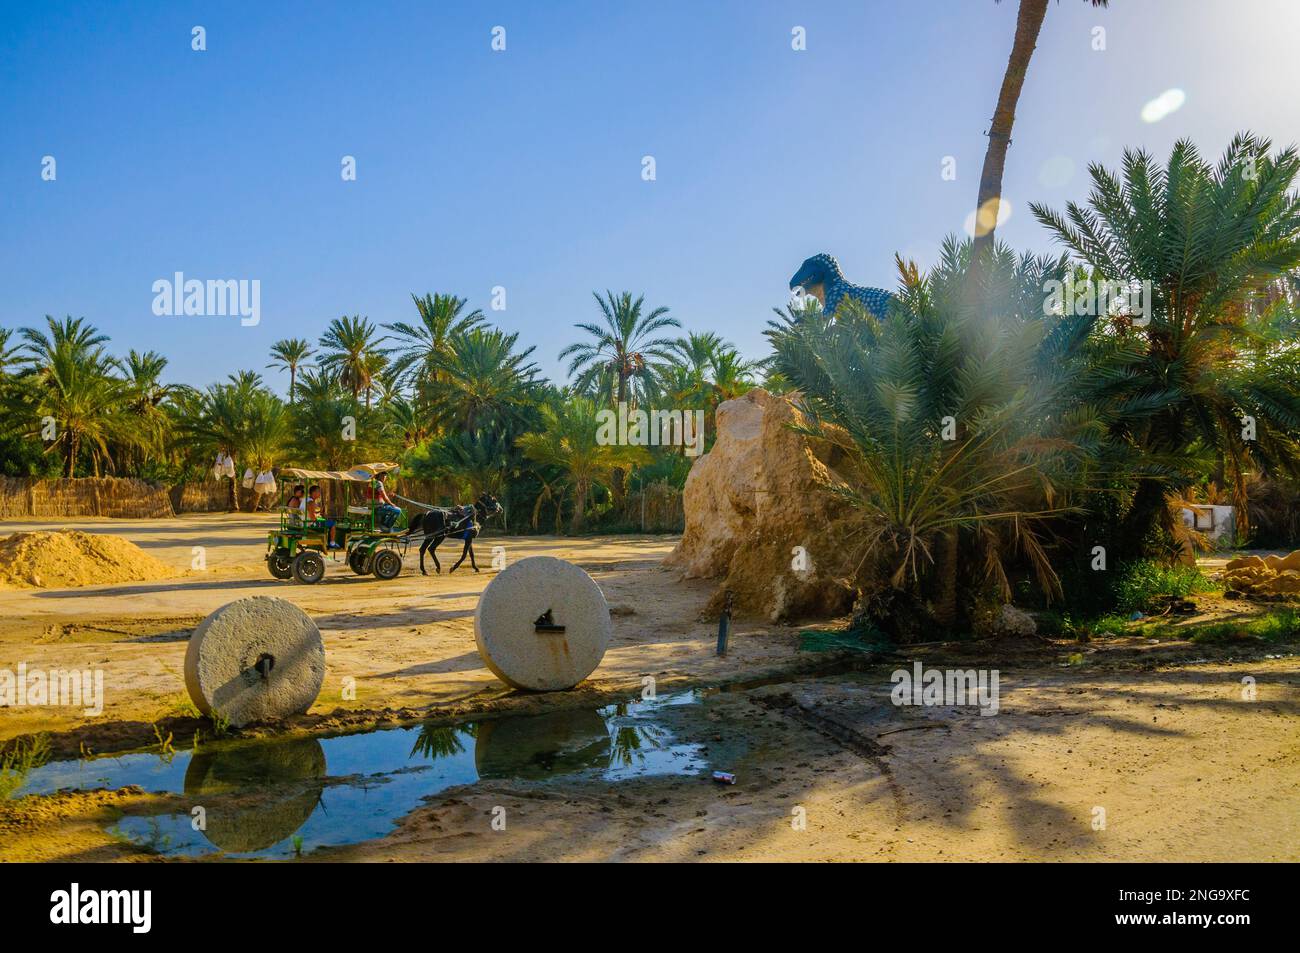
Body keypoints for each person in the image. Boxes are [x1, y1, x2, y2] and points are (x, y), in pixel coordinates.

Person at [306, 485, 340, 549]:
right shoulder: (311, 502)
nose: (320, 494)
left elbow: (311, 513)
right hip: (311, 524)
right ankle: (332, 543)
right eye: (318, 492)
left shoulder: (307, 500)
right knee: (332, 523)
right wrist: (321, 519)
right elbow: (313, 518)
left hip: (307, 522)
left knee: (327, 521)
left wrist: (320, 516)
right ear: (314, 493)